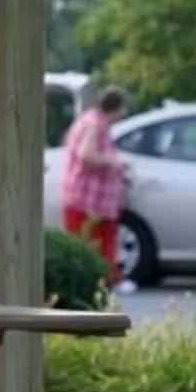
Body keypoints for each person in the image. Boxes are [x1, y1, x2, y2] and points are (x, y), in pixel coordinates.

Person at [60, 84, 133, 289]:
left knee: (99, 242)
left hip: (90, 200)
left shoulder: (91, 121)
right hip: (87, 201)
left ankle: (103, 281)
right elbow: (86, 155)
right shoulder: (95, 125)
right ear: (116, 108)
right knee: (92, 244)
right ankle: (96, 283)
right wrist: (113, 162)